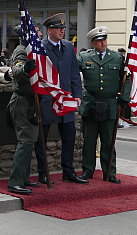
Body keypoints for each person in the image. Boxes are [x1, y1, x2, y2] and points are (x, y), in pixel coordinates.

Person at [34, 13, 87, 184]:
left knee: (69, 136)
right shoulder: (40, 47)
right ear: (49, 30)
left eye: (63, 28)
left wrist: (77, 95)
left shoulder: (68, 47)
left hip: (66, 99)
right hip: (47, 99)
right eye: (58, 28)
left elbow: (74, 73)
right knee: (42, 137)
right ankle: (43, 172)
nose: (62, 31)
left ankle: (68, 171)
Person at [78, 27, 131, 184]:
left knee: (108, 141)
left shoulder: (116, 58)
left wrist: (124, 100)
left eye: (104, 40)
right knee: (89, 140)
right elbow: (73, 75)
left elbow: (126, 78)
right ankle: (88, 170)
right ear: (93, 42)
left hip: (110, 103)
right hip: (90, 103)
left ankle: (110, 172)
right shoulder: (84, 57)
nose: (103, 43)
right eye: (99, 40)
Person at [6, 19, 42, 194]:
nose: (40, 34)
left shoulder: (32, 50)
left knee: (30, 141)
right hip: (22, 101)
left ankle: (24, 177)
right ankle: (16, 181)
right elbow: (16, 71)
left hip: (31, 101)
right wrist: (26, 68)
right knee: (25, 141)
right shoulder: (21, 51)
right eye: (36, 31)